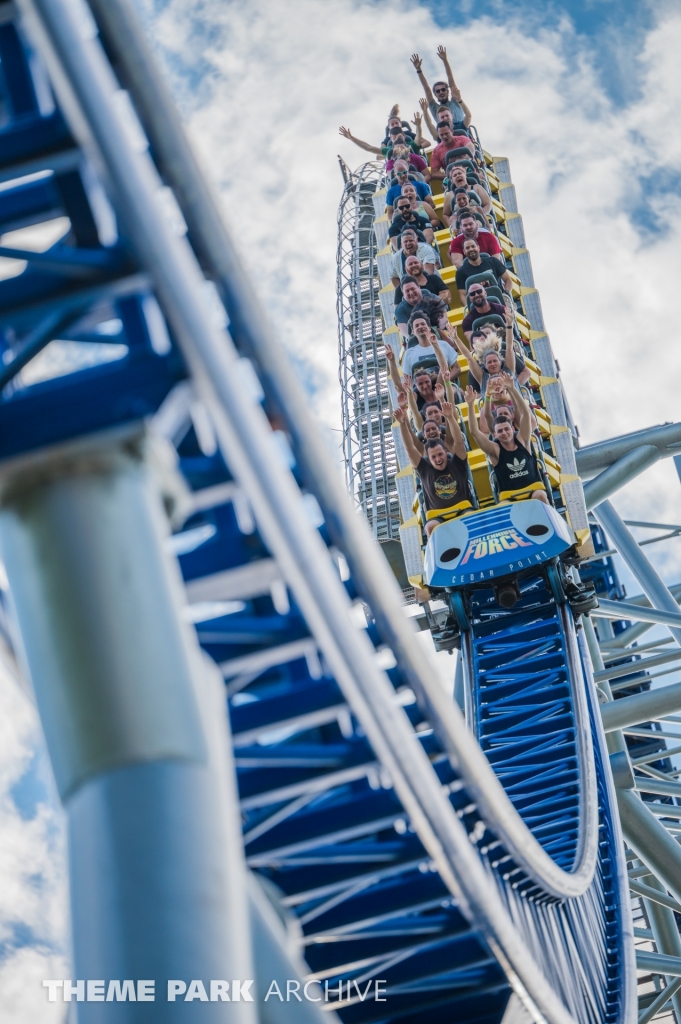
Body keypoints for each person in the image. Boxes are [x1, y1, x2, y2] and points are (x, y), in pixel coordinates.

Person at [465, 375, 548, 504]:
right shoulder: (494, 449)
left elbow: (525, 413)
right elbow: (474, 432)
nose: (504, 433)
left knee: (540, 496)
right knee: (504, 506)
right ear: (495, 434)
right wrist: (470, 405)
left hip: (533, 489)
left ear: (512, 429)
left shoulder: (523, 439)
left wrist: (512, 389)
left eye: (506, 429)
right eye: (499, 431)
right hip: (509, 495)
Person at [395, 401, 472, 535]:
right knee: (430, 527)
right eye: (434, 457)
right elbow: (409, 448)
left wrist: (450, 417)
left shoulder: (457, 462)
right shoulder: (425, 469)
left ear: (446, 452)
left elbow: (458, 441)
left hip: (463, 508)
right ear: (428, 459)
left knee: (470, 517)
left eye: (440, 454)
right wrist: (402, 423)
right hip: (438, 515)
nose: (438, 459)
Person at [410, 47, 472, 128]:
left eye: (443, 89)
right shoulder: (435, 108)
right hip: (444, 134)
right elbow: (426, 88)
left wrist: (445, 60)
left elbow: (450, 79)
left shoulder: (455, 101)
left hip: (461, 131)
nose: (441, 92)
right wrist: (419, 70)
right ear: (435, 94)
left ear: (447, 91)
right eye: (438, 91)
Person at [455, 238, 512, 306]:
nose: (471, 249)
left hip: (500, 301)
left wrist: (506, 293)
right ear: (464, 251)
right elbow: (462, 295)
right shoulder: (460, 272)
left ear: (478, 248)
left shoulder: (493, 261)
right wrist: (470, 309)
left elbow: (508, 280)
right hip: (478, 305)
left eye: (473, 246)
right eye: (467, 248)